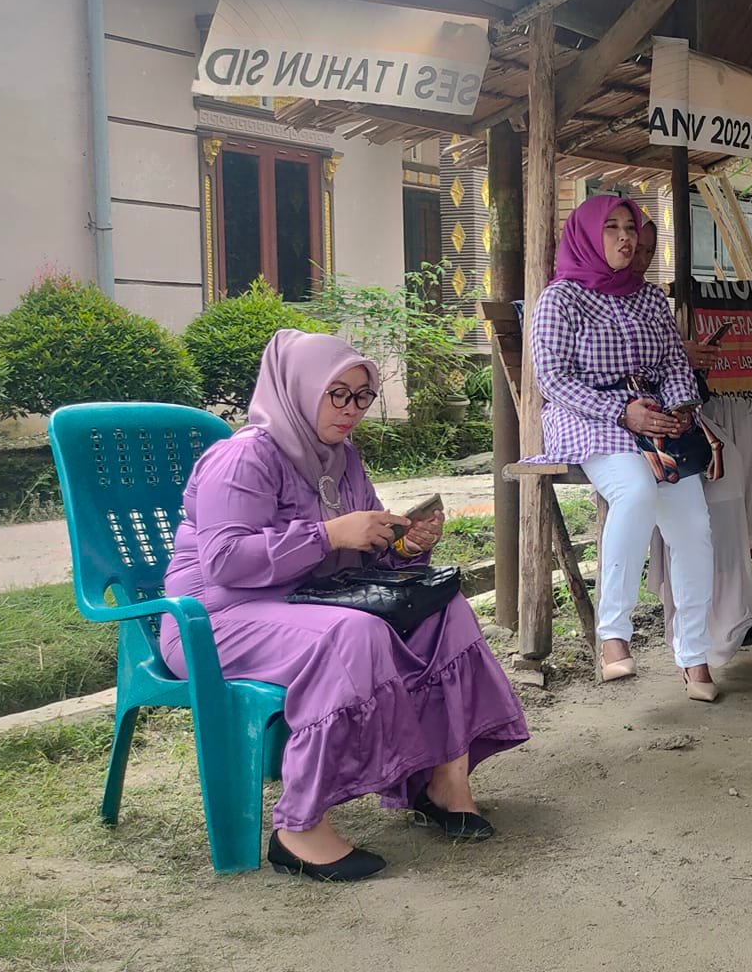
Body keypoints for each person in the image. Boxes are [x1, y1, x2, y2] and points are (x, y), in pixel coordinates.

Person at [160, 330, 529, 882]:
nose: (351, 409)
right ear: (300, 388)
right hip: (216, 619)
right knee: (352, 635)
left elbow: (360, 557)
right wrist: (328, 534)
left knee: (444, 609)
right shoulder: (243, 456)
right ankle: (299, 827)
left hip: (308, 603)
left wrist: (402, 546)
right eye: (337, 393)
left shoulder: (342, 458)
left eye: (362, 396)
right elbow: (225, 561)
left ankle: (444, 782)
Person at [529, 194, 722, 702]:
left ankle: (694, 655)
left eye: (630, 227)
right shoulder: (560, 298)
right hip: (590, 418)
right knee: (635, 490)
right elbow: (553, 379)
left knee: (694, 526)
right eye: (612, 227)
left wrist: (680, 407)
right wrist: (622, 410)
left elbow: (675, 364)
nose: (625, 237)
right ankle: (613, 633)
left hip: (655, 419)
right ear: (588, 236)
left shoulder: (650, 298)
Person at [626, 219, 752, 664]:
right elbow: (616, 373)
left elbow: (672, 371)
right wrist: (679, 356)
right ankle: (725, 623)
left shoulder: (649, 298)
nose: (639, 257)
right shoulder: (590, 300)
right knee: (724, 467)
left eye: (647, 250)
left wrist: (690, 362)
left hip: (692, 405)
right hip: (638, 422)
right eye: (632, 246)